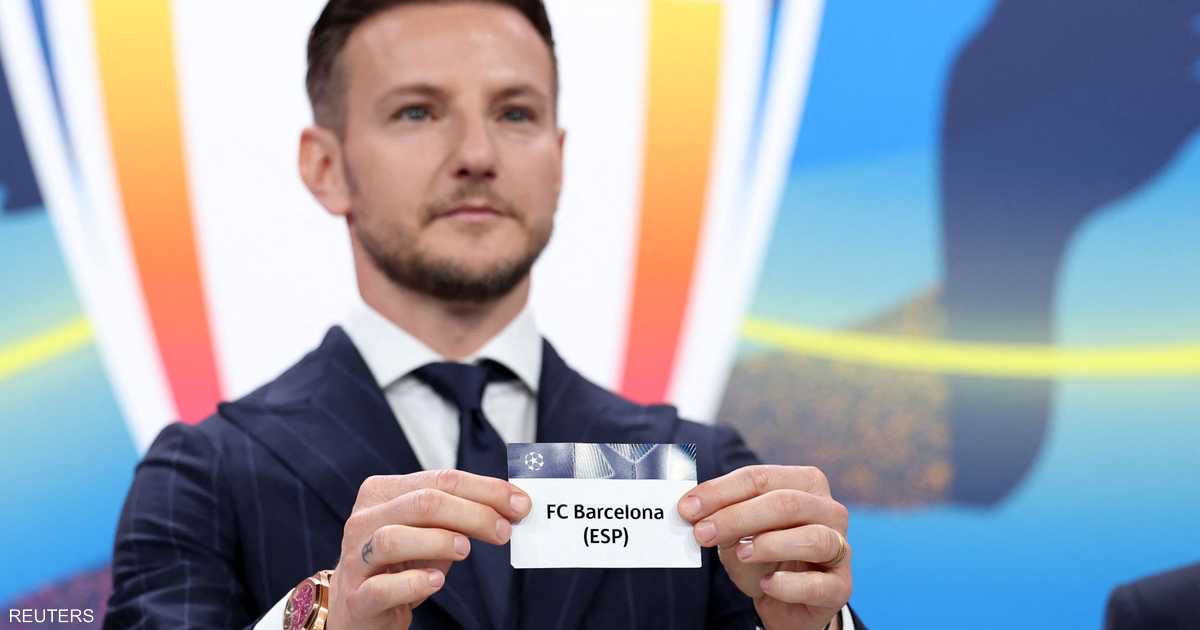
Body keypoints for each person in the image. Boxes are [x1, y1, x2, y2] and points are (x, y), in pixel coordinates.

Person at [103, 1, 862, 628]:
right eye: (417, 111)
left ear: (558, 160)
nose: (476, 154)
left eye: (515, 113)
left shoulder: (706, 475)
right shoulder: (201, 479)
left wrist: (811, 625)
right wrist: (324, 621)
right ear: (326, 166)